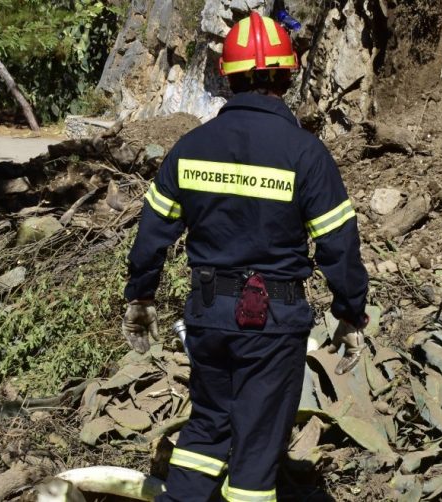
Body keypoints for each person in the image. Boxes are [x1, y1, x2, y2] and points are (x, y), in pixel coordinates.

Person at [121, 11, 369, 502]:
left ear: (227, 76)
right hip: (272, 323)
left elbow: (151, 234)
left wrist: (141, 298)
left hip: (208, 316)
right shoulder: (305, 153)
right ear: (287, 75)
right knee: (257, 444)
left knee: (207, 425)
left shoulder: (191, 148)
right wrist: (350, 311)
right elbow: (338, 244)